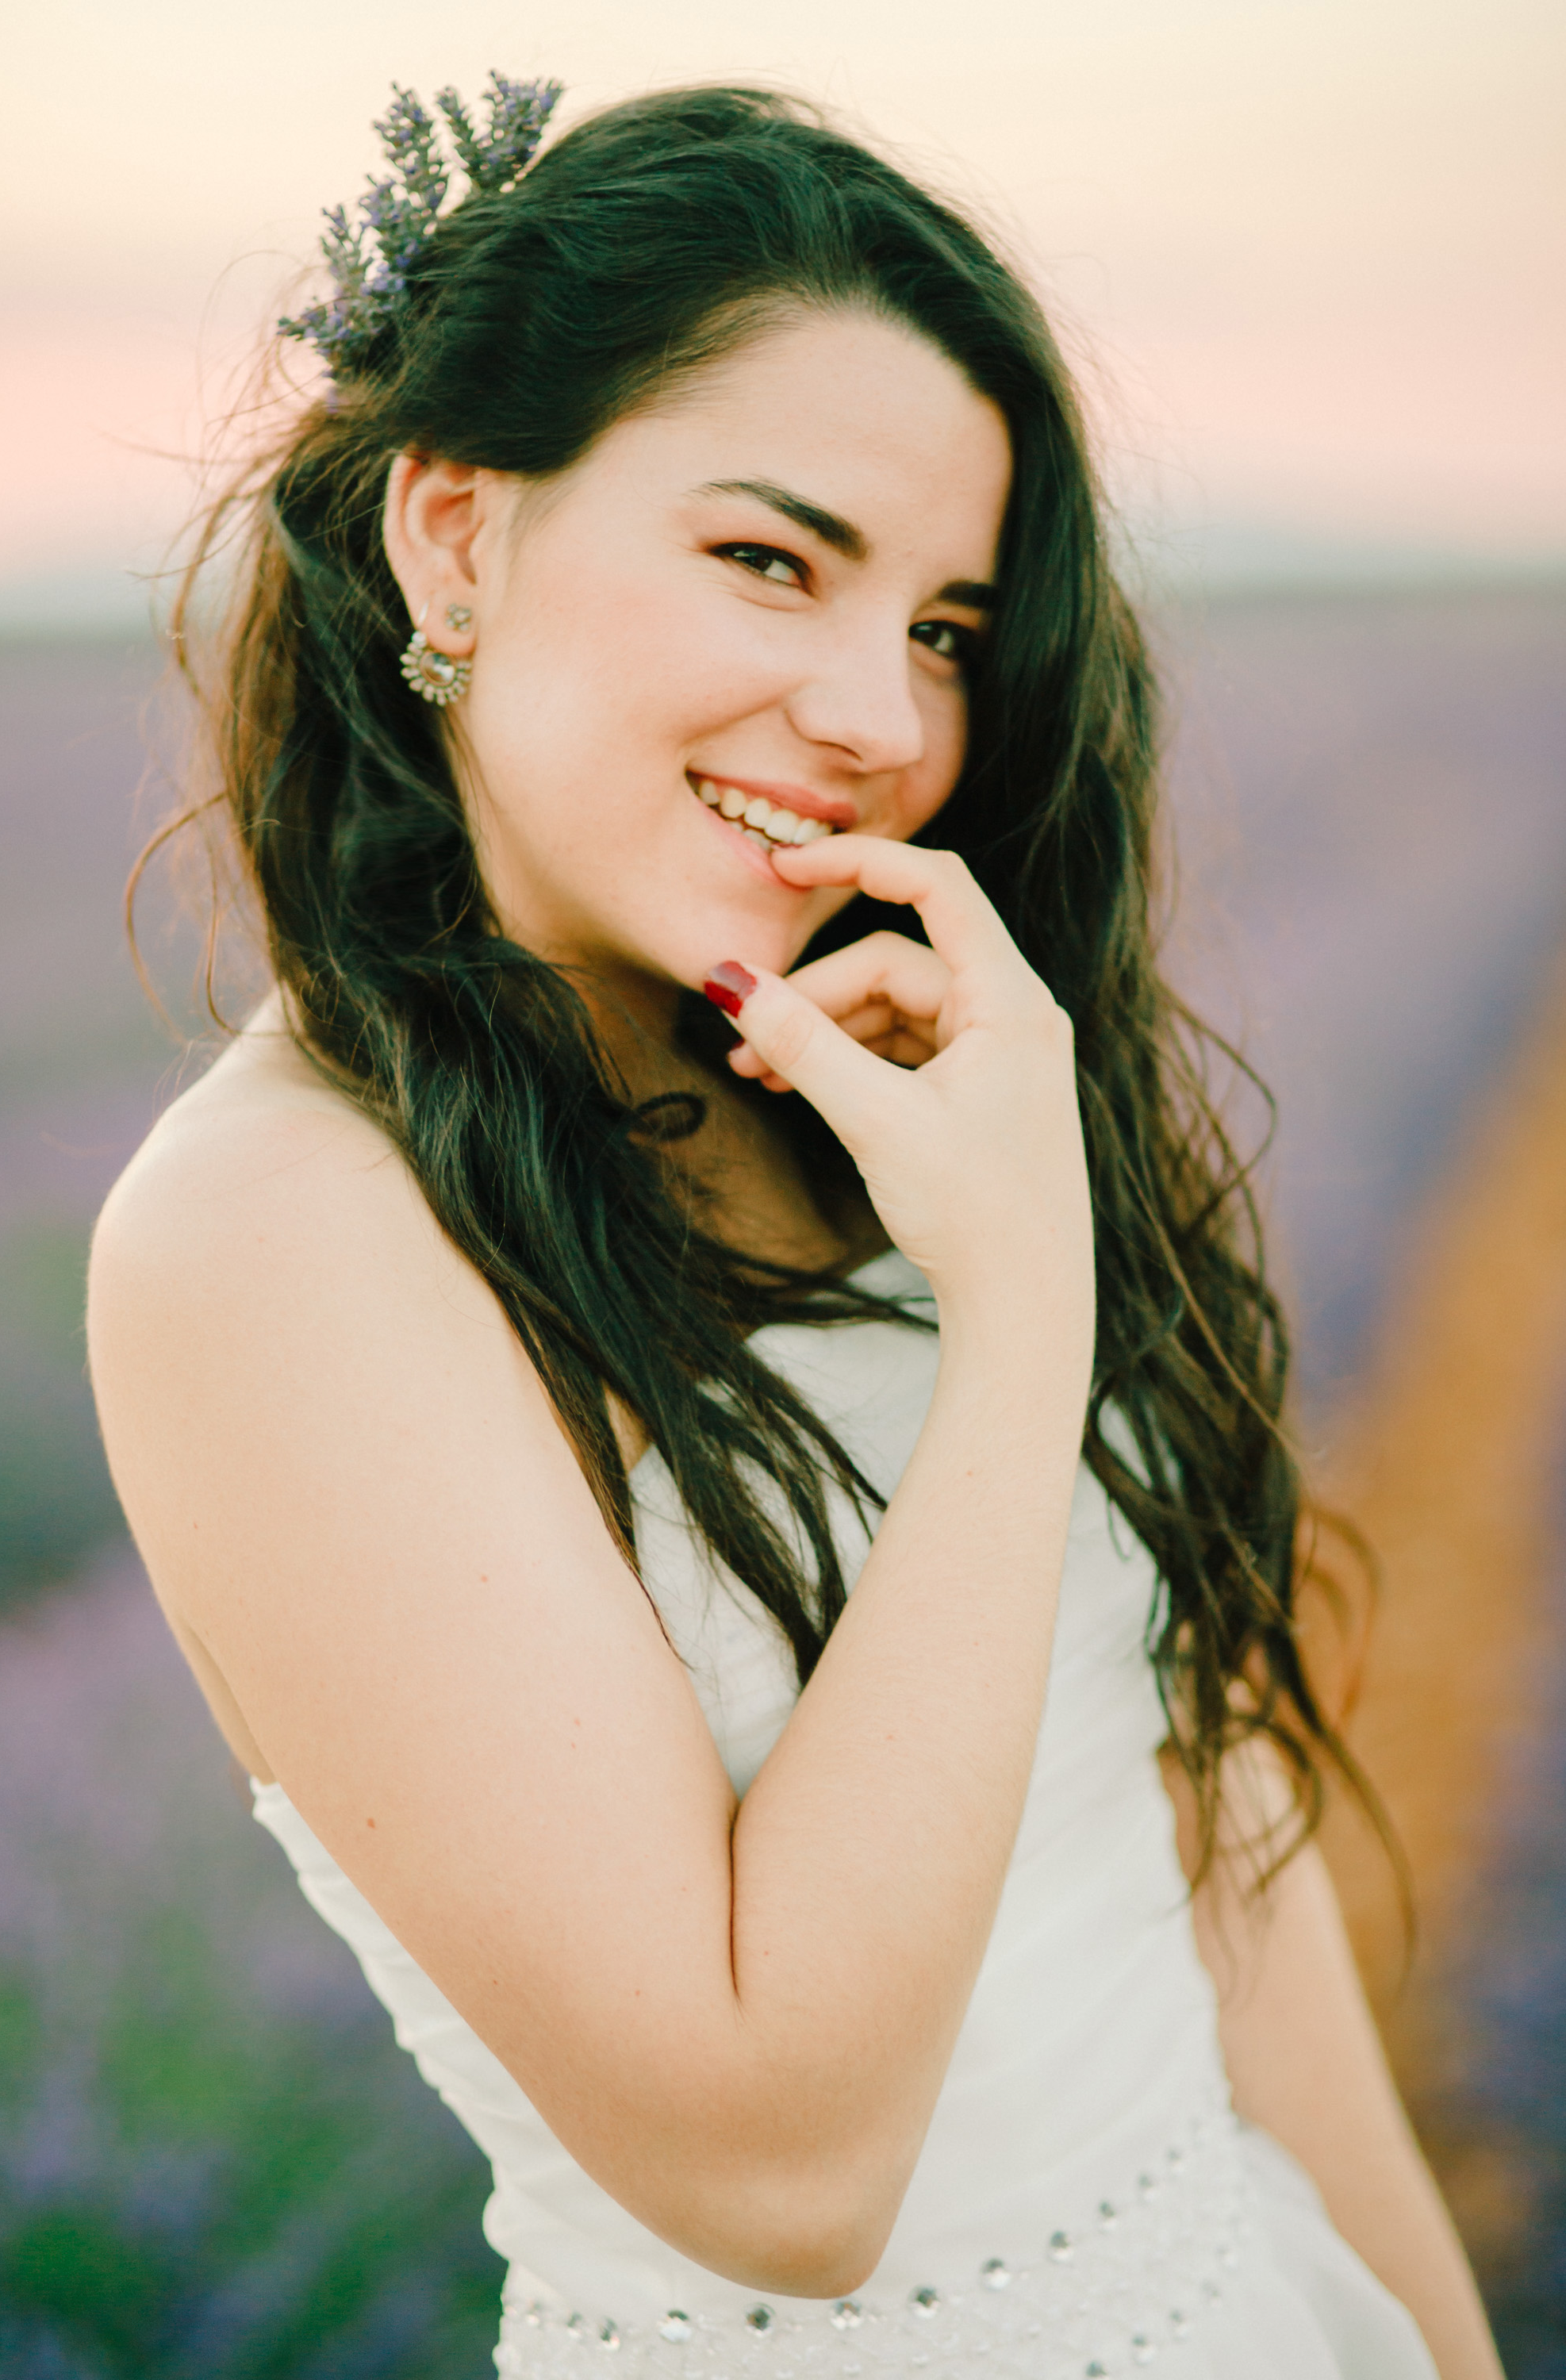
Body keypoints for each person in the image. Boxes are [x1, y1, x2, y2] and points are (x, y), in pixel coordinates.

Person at [86, 79, 1503, 2380]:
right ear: (455, 532)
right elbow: (785, 2171)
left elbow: (1211, 1880)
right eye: (770, 559)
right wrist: (1026, 1292)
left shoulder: (878, 1089)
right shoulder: (276, 1239)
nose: (877, 717)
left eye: (947, 622)